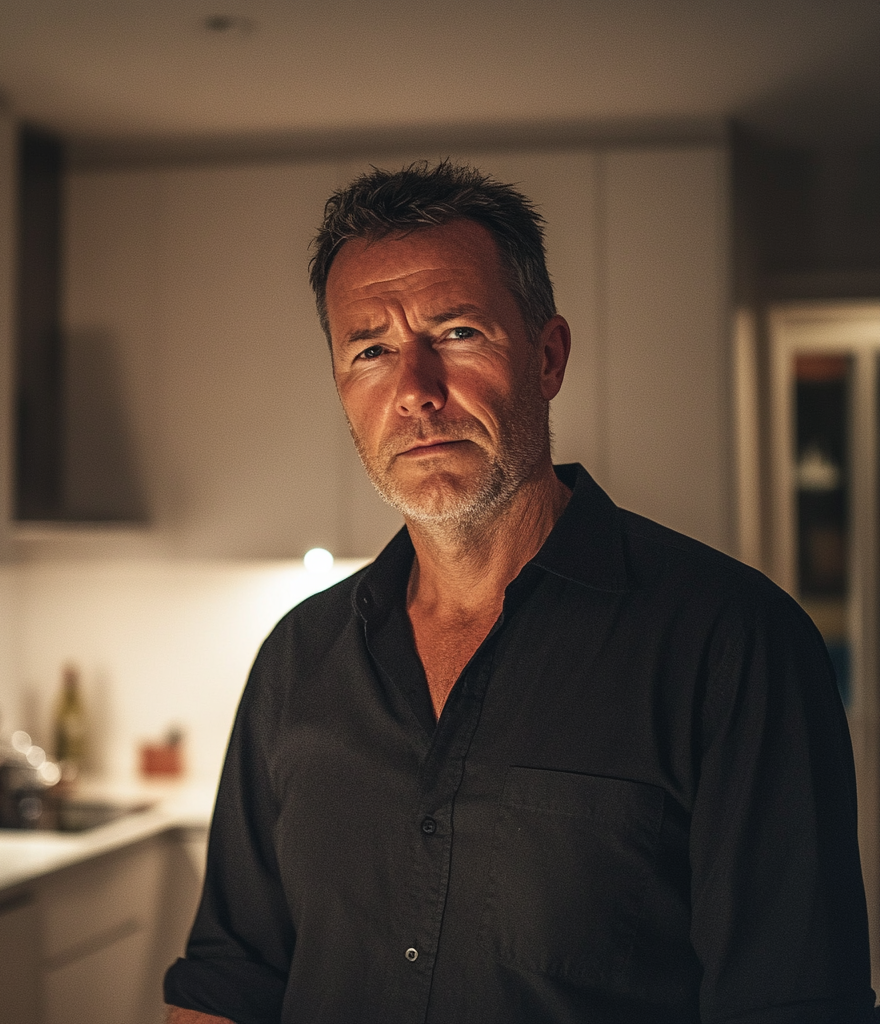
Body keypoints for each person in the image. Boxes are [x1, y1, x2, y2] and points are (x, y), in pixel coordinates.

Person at [164, 161, 874, 1023]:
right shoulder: (297, 659)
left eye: (458, 333)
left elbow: (793, 1004)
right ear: (344, 390)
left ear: (547, 356)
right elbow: (229, 979)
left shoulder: (734, 644)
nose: (416, 392)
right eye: (372, 351)